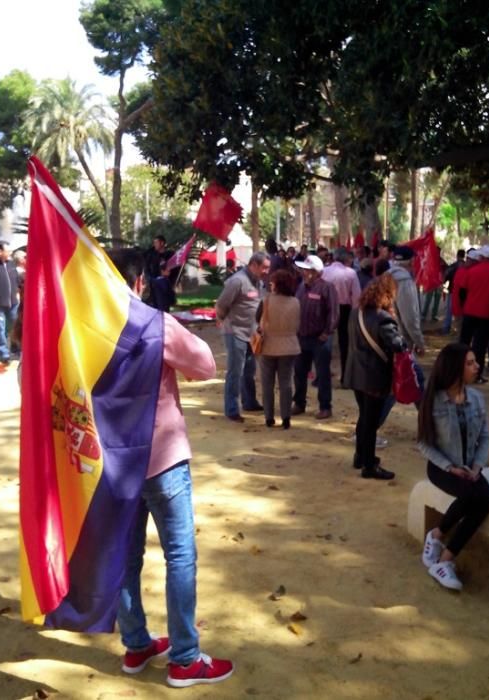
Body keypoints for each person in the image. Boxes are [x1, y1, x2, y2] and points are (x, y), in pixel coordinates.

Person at [109, 249, 234, 687]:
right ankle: (184, 657)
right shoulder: (155, 324)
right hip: (162, 459)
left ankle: (136, 642)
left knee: (126, 559)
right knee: (180, 555)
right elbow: (204, 365)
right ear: (139, 281)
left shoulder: (82, 330)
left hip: (113, 466)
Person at [417, 343, 489, 591]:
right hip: (442, 466)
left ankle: (444, 556)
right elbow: (424, 444)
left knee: (484, 499)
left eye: (475, 361)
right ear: (455, 369)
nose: (477, 366)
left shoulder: (477, 399)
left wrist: (477, 467)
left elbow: (484, 438)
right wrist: (450, 467)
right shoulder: (433, 399)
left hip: (469, 467)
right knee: (474, 495)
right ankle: (437, 538)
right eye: (470, 363)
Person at [343, 274, 406, 480]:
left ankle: (360, 456)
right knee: (370, 422)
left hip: (355, 373)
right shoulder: (383, 318)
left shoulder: (355, 313)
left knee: (364, 417)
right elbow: (396, 344)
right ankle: (369, 465)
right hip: (374, 376)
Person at [216, 252, 270, 422]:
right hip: (235, 333)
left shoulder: (259, 282)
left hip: (252, 334)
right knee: (235, 372)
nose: (266, 271)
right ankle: (232, 409)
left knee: (249, 370)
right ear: (253, 264)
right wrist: (224, 321)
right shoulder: (237, 281)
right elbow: (221, 305)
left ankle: (250, 402)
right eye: (264, 267)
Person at [292, 255, 339, 419]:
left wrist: (327, 332)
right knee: (299, 372)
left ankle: (325, 406)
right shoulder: (301, 287)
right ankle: (299, 403)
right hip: (302, 336)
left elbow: (333, 313)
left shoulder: (327, 288)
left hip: (320, 339)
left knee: (322, 374)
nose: (303, 272)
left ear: (315, 272)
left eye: (306, 270)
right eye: (303, 269)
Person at [256, 269, 300, 429]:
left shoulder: (266, 301)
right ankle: (286, 417)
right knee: (286, 383)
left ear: (277, 285)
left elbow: (257, 319)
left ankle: (269, 417)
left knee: (267, 384)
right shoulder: (296, 302)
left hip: (268, 345)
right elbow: (297, 324)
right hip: (289, 345)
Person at [459, 244, 489, 383]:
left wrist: (464, 306)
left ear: (482, 257)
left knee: (464, 342)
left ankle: (458, 371)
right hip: (488, 315)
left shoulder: (472, 271)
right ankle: (476, 375)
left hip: (470, 312)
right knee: (480, 346)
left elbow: (462, 292)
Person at [322, 247, 361, 384]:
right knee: (345, 343)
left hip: (326, 308)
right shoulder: (351, 273)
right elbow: (356, 297)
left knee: (325, 341)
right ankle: (345, 377)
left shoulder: (324, 271)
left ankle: (322, 376)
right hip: (345, 310)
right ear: (347, 259)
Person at [441, 249, 465, 334]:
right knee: (462, 312)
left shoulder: (454, 266)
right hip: (464, 292)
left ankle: (446, 329)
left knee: (449, 310)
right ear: (464, 255)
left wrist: (444, 284)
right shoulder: (466, 266)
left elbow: (446, 276)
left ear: (457, 255)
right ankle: (460, 331)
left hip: (453, 291)